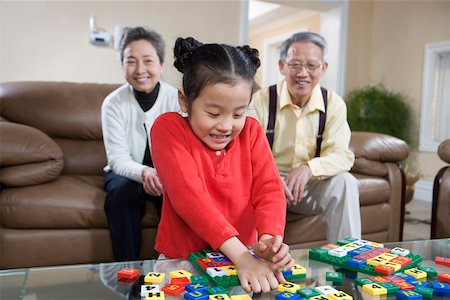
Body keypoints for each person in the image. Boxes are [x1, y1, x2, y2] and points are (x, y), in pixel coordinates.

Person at [150, 37, 295, 293]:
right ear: (184, 101)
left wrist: (269, 240)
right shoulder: (168, 128)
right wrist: (241, 256)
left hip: (245, 259)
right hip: (184, 258)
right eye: (214, 114)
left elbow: (269, 189)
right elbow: (189, 198)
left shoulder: (251, 131)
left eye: (239, 113)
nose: (226, 126)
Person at [249, 31, 361, 244]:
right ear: (282, 66)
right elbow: (245, 150)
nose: (303, 73)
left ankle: (349, 262)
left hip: (307, 184)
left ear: (323, 68)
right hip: (265, 182)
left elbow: (341, 155)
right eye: (295, 65)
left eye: (312, 66)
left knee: (345, 182)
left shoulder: (333, 104)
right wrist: (270, 178)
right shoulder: (262, 100)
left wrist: (308, 168)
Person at [101, 26, 180, 261]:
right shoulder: (113, 104)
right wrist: (146, 173)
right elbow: (117, 159)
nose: (140, 70)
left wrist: (165, 176)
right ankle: (128, 275)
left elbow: (181, 152)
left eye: (147, 60)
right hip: (128, 173)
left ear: (161, 64)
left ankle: (175, 273)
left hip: (168, 174)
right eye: (131, 61)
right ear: (123, 65)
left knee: (181, 193)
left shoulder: (176, 99)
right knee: (122, 192)